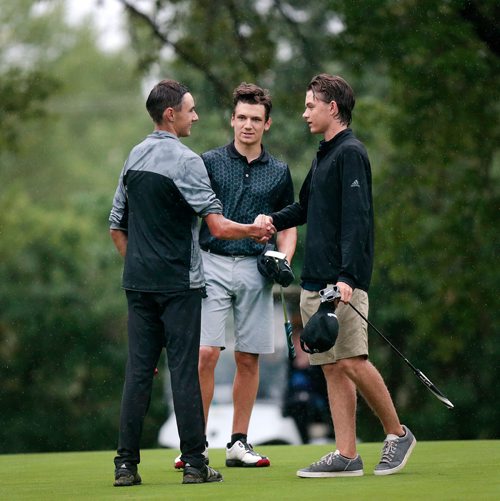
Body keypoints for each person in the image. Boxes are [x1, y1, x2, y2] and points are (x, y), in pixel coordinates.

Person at [108, 79, 274, 487]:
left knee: (138, 375)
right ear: (171, 114)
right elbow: (215, 226)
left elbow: (116, 226)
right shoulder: (187, 161)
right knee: (184, 372)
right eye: (191, 109)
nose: (195, 116)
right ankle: (196, 465)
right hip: (180, 285)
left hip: (139, 284)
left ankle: (125, 467)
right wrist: (254, 231)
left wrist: (141, 267)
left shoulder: (134, 156)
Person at [263, 74, 416, 477]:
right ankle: (346, 454)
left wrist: (349, 276)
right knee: (331, 366)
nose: (304, 112)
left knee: (352, 360)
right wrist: (270, 222)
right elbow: (305, 207)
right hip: (315, 281)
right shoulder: (323, 154)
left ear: (333, 107)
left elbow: (358, 220)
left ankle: (397, 433)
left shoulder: (351, 152)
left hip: (341, 282)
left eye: (311, 105)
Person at [174, 82, 297, 470]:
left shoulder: (279, 172)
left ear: (267, 124)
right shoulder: (208, 162)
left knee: (248, 358)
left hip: (256, 269)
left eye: (255, 119)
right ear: (232, 119)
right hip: (210, 262)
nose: (247, 125)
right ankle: (195, 445)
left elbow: (288, 225)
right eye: (241, 117)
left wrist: (283, 257)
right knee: (206, 354)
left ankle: (238, 444)